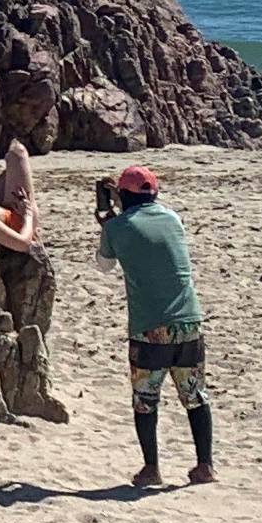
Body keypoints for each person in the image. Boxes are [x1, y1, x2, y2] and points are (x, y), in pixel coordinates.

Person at [92, 163, 213, 485]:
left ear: (123, 195)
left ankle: (152, 468)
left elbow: (104, 266)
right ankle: (205, 465)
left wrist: (106, 223)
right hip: (189, 320)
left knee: (145, 401)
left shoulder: (116, 228)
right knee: (195, 395)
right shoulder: (173, 219)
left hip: (149, 327)